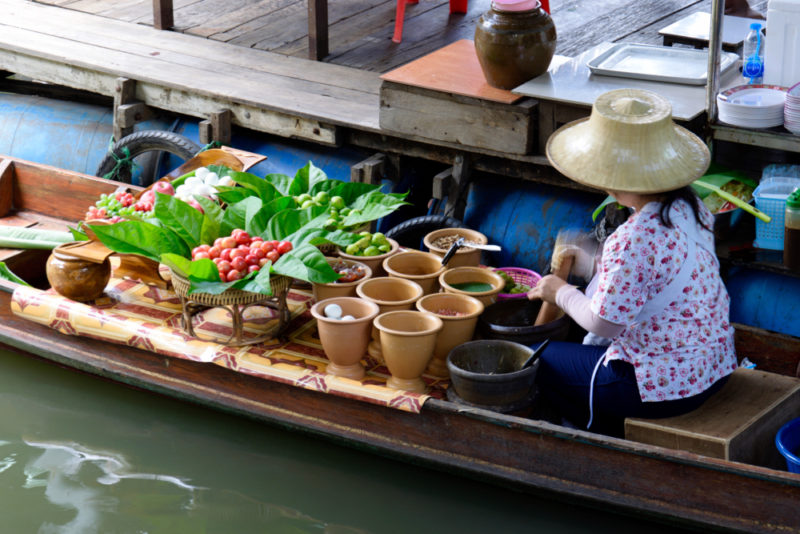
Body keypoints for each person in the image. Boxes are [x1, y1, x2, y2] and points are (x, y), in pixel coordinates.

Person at [527, 88, 738, 437]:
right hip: (713, 368)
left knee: (536, 358)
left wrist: (559, 291)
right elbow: (655, 273)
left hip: (663, 388)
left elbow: (604, 325)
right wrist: (589, 261)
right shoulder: (691, 208)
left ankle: (590, 432)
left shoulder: (631, 239)